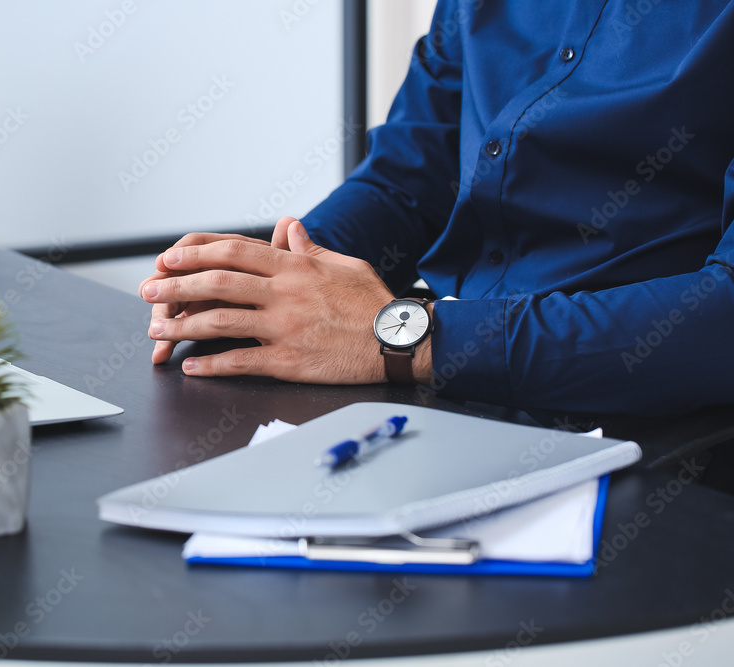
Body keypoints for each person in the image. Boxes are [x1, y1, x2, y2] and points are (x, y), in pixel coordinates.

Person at [139, 0, 734, 416]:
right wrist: (276, 282)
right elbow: (406, 183)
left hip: (650, 437)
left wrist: (411, 339)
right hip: (441, 396)